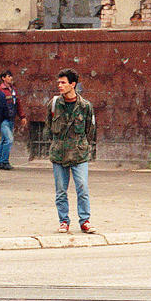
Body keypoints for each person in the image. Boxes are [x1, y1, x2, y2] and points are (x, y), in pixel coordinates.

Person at [48, 68, 97, 234]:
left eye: (63, 82)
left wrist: (82, 145)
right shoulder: (54, 104)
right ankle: (63, 221)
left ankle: (85, 221)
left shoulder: (85, 106)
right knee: (61, 190)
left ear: (73, 84)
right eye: (59, 82)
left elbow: (90, 130)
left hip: (79, 154)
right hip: (59, 154)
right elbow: (49, 126)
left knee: (82, 187)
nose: (60, 85)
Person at [0, 69, 27, 171]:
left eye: (11, 76)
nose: (10, 78)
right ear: (3, 78)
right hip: (3, 119)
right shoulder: (0, 90)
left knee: (5, 140)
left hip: (11, 118)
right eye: (8, 76)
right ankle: (4, 161)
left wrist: (22, 116)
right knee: (9, 139)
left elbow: (18, 104)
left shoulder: (13, 90)